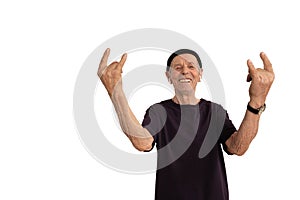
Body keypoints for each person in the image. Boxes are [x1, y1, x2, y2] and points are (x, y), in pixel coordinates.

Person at [97, 48, 275, 200]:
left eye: (191, 66)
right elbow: (142, 142)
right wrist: (115, 91)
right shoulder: (158, 111)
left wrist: (257, 100)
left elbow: (238, 147)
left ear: (200, 75)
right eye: (178, 67)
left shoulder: (214, 112)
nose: (185, 71)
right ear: (168, 76)